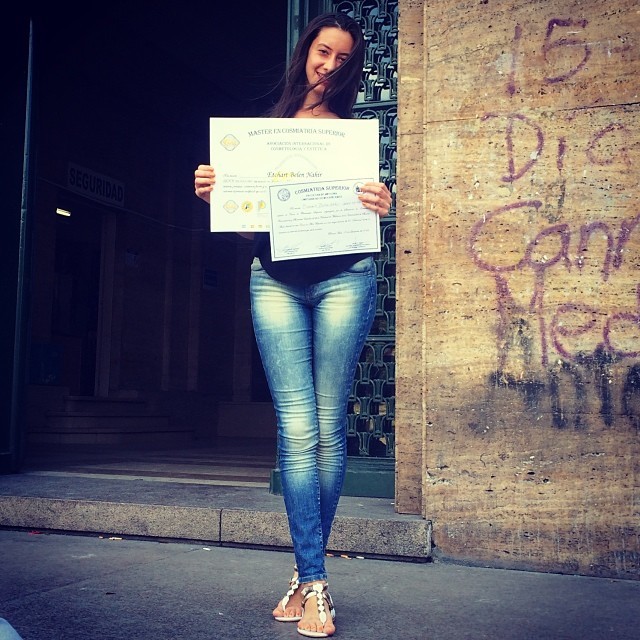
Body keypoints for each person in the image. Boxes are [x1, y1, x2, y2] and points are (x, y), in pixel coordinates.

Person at [194, 12, 391, 638]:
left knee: (327, 430)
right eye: (322, 52)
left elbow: (367, 213)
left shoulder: (354, 137)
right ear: (306, 50)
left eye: (342, 59)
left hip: (346, 277)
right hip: (274, 280)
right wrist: (219, 198)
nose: (329, 66)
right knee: (299, 429)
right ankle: (313, 580)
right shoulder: (265, 134)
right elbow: (249, 230)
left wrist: (382, 204)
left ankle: (310, 581)